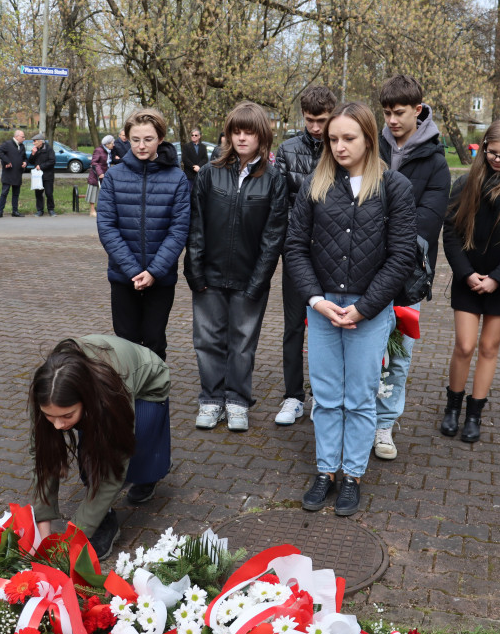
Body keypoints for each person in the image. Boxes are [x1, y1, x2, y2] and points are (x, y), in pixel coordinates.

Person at [283, 101, 416, 516]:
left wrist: (365, 307)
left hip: (370, 309)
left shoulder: (394, 187)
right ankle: (326, 470)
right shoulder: (315, 185)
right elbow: (295, 247)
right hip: (323, 307)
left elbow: (401, 256)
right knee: (325, 396)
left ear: (368, 138)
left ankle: (352, 474)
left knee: (359, 397)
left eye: (348, 138)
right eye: (333, 139)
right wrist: (316, 300)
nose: (339, 146)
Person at [184, 101, 287, 432]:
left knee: (242, 343)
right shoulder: (210, 175)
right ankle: (211, 399)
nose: (242, 138)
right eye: (236, 131)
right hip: (209, 274)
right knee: (208, 339)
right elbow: (196, 226)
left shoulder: (274, 180)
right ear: (228, 134)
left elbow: (274, 237)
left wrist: (259, 280)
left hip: (249, 278)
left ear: (262, 136)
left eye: (249, 132)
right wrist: (194, 269)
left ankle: (238, 400)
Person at [29, 334, 172, 557]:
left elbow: (113, 466)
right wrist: (43, 533)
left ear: (86, 399)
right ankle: (103, 512)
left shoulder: (113, 393)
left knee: (117, 452)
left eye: (66, 415)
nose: (57, 425)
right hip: (98, 397)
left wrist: (72, 540)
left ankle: (150, 472)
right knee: (92, 447)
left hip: (148, 385)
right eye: (50, 416)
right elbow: (43, 456)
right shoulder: (47, 390)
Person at [372, 75, 452, 459]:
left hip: (408, 278)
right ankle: (357, 417)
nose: (391, 120)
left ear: (418, 110)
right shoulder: (371, 148)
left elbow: (426, 222)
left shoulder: (436, 163)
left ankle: (384, 425)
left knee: (398, 356)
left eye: (399, 112)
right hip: (364, 270)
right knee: (364, 353)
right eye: (386, 112)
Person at [441, 120, 500, 444]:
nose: (497, 159)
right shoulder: (465, 183)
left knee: (488, 347)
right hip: (467, 278)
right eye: (492, 152)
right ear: (483, 149)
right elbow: (450, 235)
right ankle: (452, 406)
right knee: (465, 345)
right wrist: (466, 274)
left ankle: (474, 413)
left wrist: (497, 279)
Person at [98, 109, 190, 362]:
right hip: (123, 275)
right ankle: (126, 399)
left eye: (148, 139)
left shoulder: (177, 178)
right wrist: (131, 270)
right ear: (126, 138)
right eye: (135, 139)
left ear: (160, 138)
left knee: (154, 341)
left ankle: (152, 399)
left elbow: (179, 230)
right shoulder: (114, 176)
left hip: (160, 278)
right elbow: (107, 226)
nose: (141, 145)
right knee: (125, 344)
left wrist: (153, 271)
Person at [272, 85, 337, 426]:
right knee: (293, 327)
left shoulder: (342, 147)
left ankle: (323, 397)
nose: (315, 128)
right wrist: (289, 247)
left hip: (335, 256)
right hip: (297, 253)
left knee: (329, 328)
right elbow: (280, 204)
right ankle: (293, 396)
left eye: (321, 120)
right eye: (310, 120)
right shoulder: (287, 150)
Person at [0, 129, 26, 217]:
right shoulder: (7, 144)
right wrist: (7, 161)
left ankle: (15, 211)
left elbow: (24, 157)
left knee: (16, 194)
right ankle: (0, 212)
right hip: (8, 173)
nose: (24, 138)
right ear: (16, 136)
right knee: (4, 193)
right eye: (22, 137)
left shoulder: (22, 146)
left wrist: (25, 162)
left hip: (17, 173)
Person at [29, 133, 56, 216]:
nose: (33, 143)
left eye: (35, 141)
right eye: (33, 141)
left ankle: (51, 210)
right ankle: (40, 210)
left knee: (49, 193)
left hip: (48, 175)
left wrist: (41, 166)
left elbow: (52, 161)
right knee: (38, 193)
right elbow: (31, 161)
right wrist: (33, 154)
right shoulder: (35, 150)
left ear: (41, 141)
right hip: (38, 176)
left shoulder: (49, 149)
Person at [88, 134, 113, 217]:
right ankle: (92, 210)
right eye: (112, 143)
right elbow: (94, 162)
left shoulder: (109, 151)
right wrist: (100, 173)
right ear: (107, 144)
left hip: (105, 175)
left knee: (103, 193)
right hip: (96, 175)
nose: (114, 145)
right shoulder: (98, 150)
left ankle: (102, 209)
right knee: (94, 192)